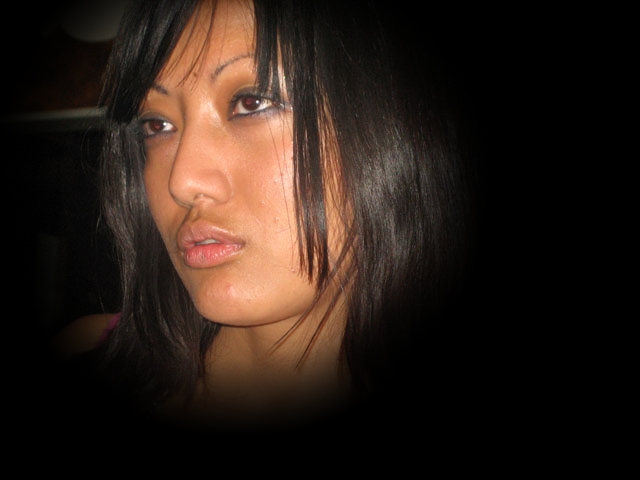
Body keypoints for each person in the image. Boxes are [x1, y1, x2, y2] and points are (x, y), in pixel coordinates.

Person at [50, 0, 481, 433]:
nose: (181, 181)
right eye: (157, 126)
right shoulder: (86, 354)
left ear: (395, 126)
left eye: (251, 103)